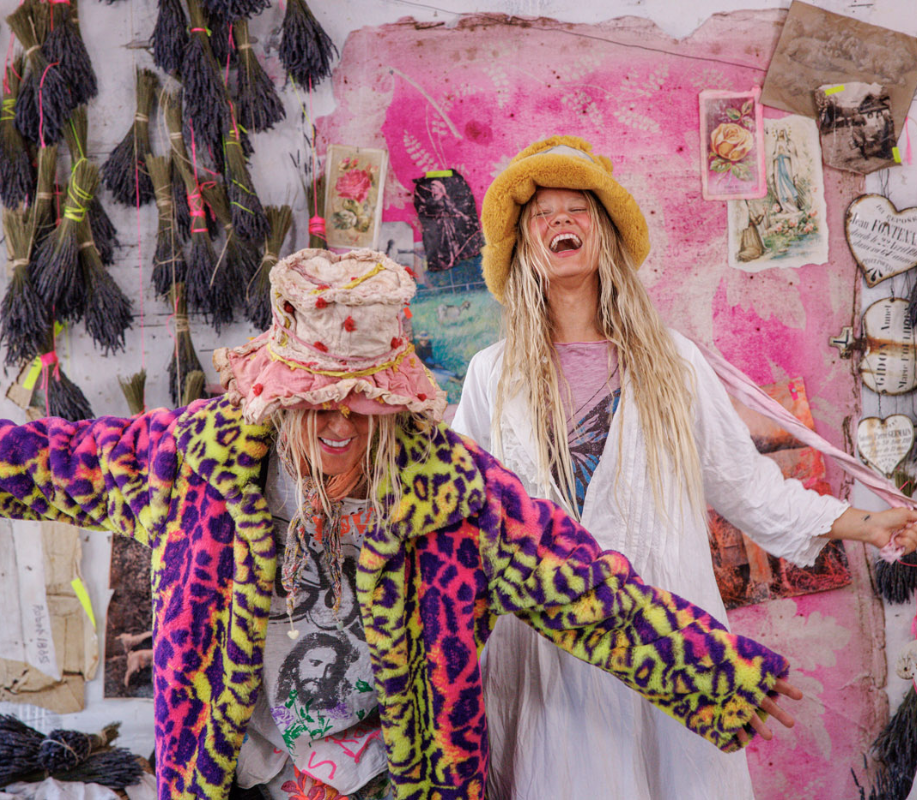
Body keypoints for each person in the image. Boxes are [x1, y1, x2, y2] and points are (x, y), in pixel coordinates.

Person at [0, 248, 803, 800]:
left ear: (392, 406)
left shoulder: (450, 491)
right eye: (315, 403)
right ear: (279, 398)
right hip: (238, 776)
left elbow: (582, 588)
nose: (338, 425)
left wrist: (715, 672)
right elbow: (51, 461)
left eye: (360, 405)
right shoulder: (192, 463)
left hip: (395, 778)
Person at [451, 135, 917, 800]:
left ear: (605, 231)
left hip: (667, 636)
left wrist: (866, 524)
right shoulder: (491, 374)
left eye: (577, 209)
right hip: (543, 650)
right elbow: (461, 510)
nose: (560, 222)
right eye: (542, 214)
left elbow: (746, 486)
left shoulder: (672, 362)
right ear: (523, 243)